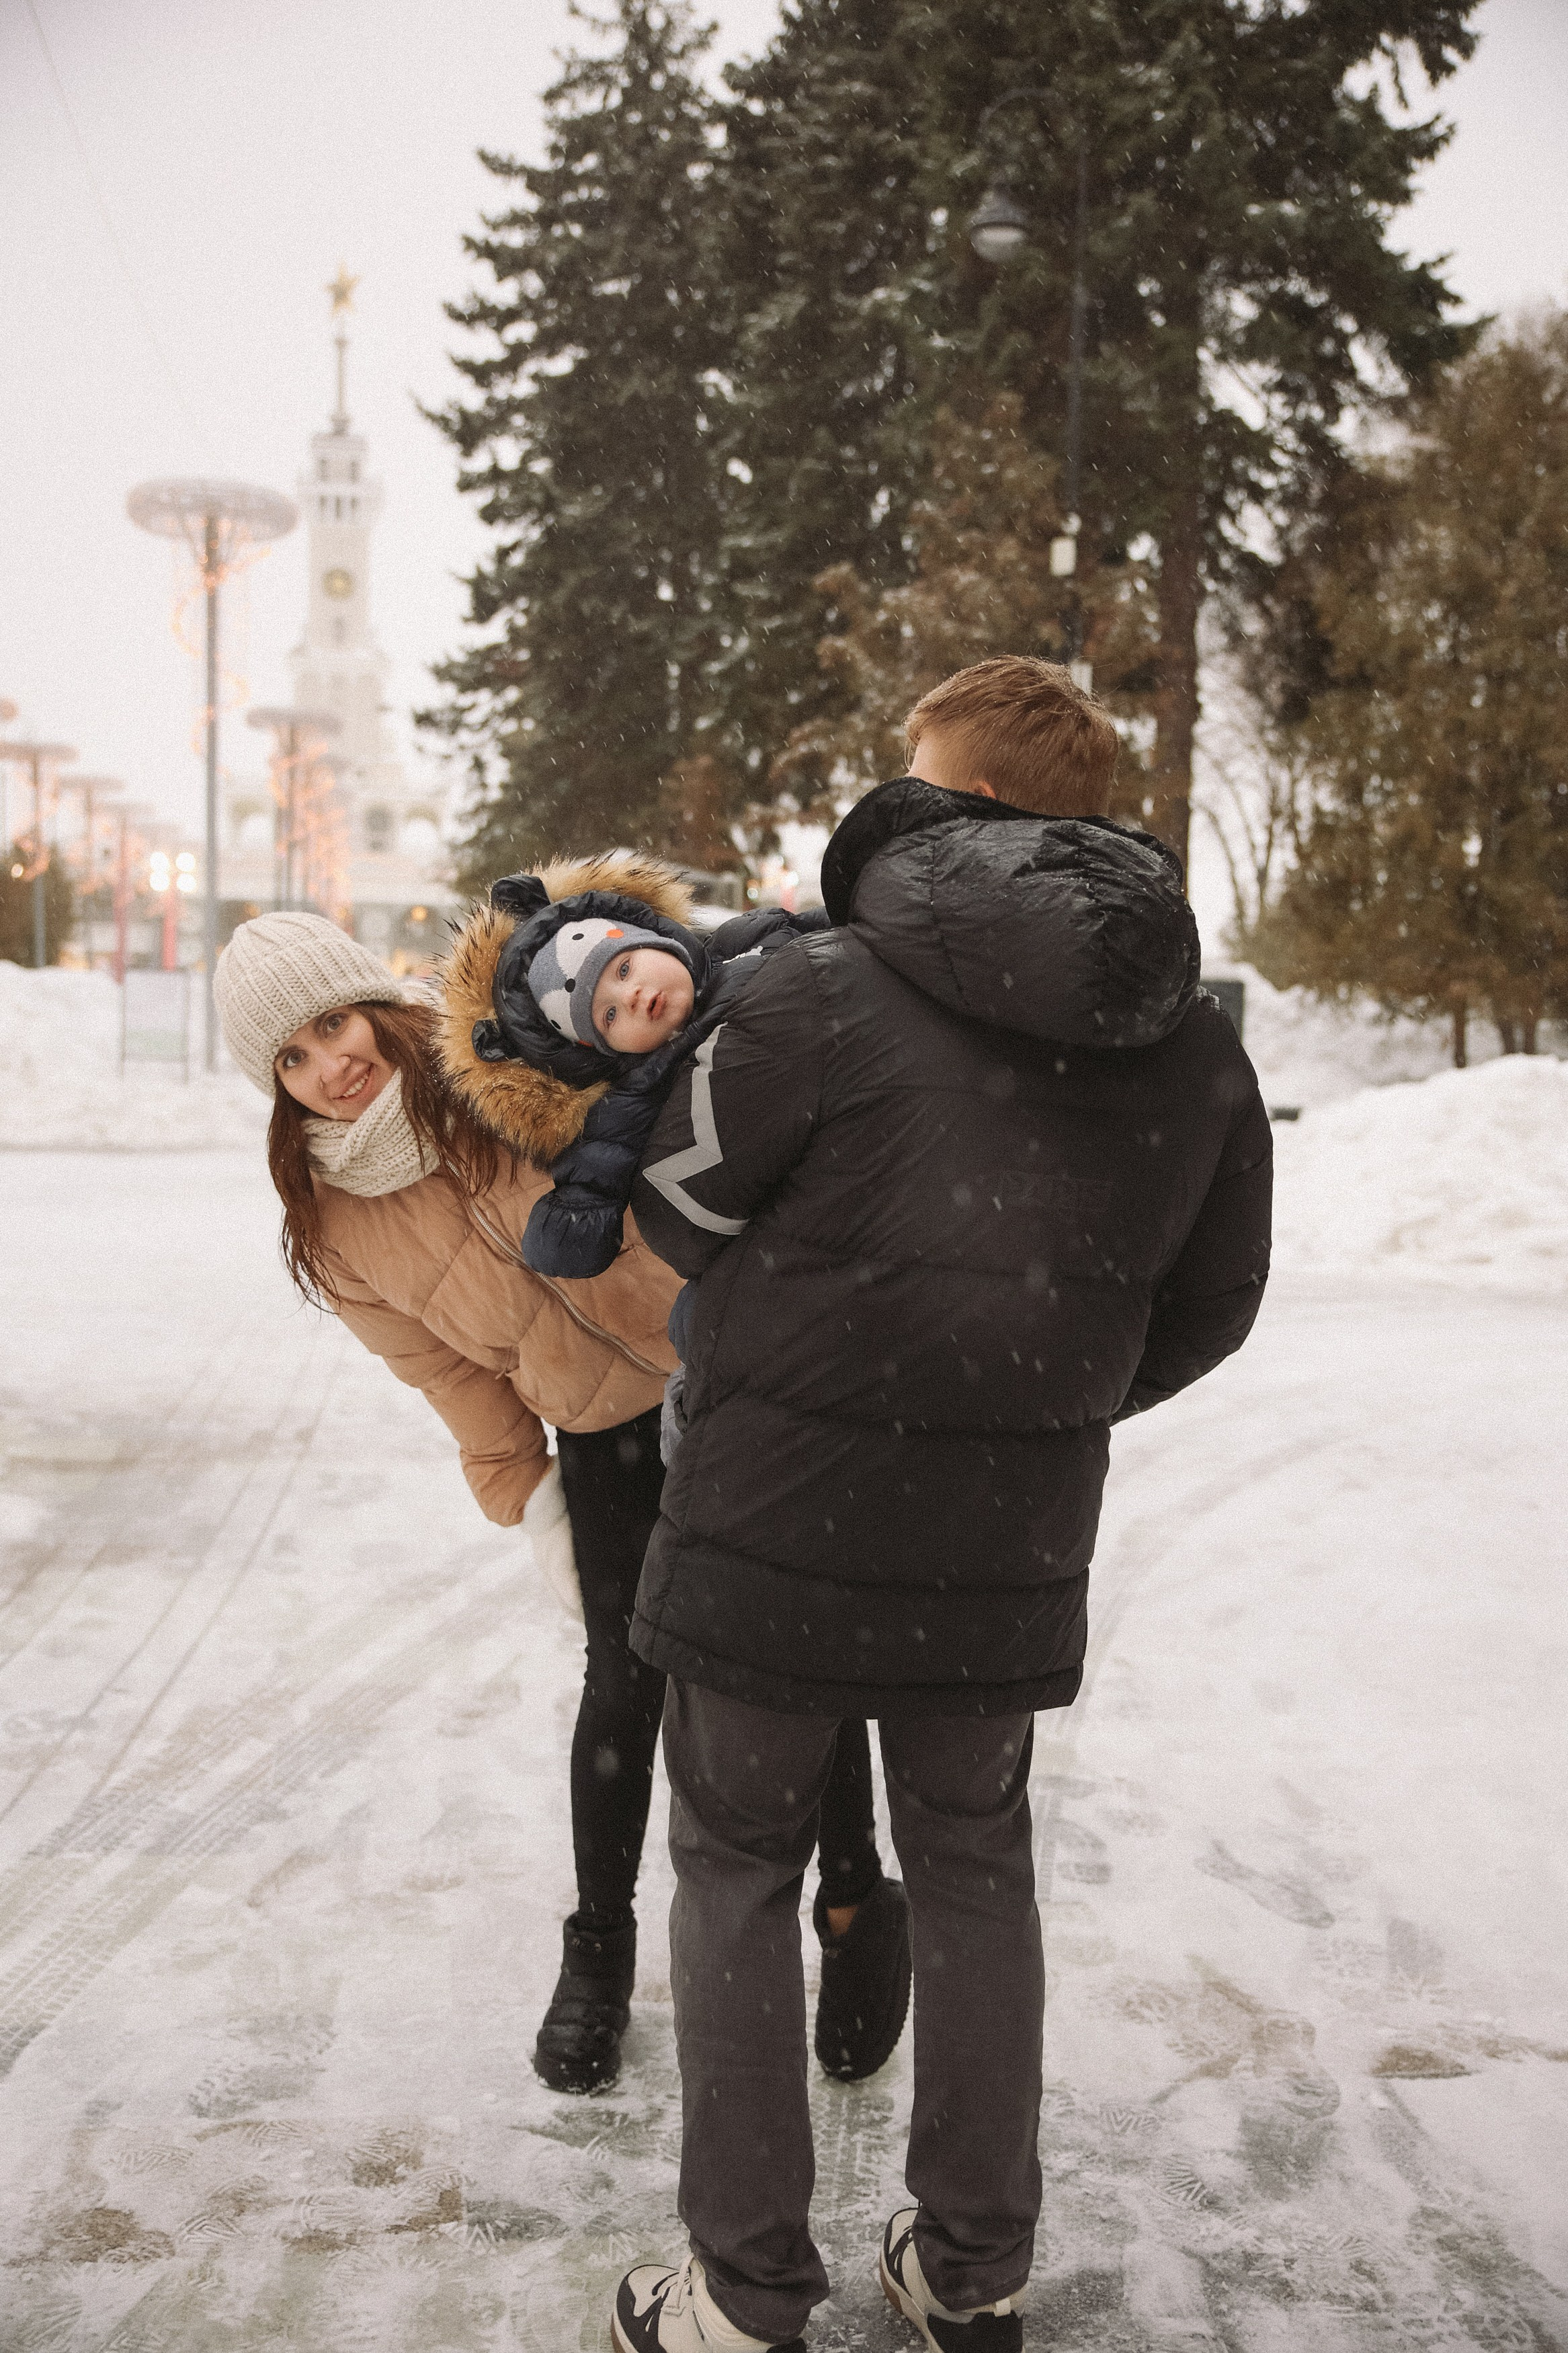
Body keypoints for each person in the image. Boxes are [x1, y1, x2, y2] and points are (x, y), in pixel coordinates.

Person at [602, 658, 1273, 2353]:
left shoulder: (821, 986)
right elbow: (1211, 1299)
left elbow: (678, 1206)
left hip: (773, 1518)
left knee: (737, 1860)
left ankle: (744, 2298)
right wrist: (1027, 1402)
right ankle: (970, 2268)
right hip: (1003, 1545)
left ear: (949, 794)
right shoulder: (1192, 1038)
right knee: (976, 1868)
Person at [436, 857, 914, 2083]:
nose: (631, 1001)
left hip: (757, 1379)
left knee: (794, 1643)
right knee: (625, 1672)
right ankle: (598, 1944)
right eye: (597, 1007)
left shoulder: (759, 991)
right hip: (605, 1410)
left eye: (630, 972)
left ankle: (853, 1901)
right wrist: (524, 1484)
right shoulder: (540, 1099)